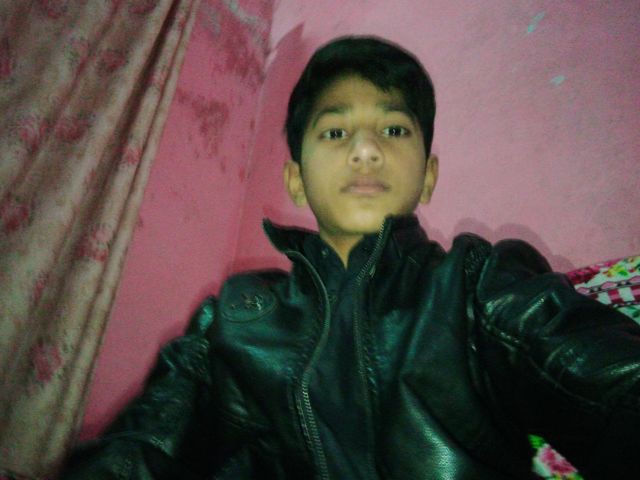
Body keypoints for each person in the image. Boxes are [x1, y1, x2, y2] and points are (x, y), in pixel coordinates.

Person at [61, 36, 640, 479]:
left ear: (428, 175)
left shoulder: (479, 286)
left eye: (394, 129)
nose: (366, 150)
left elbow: (613, 384)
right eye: (336, 133)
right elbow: (139, 452)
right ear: (295, 179)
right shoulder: (231, 321)